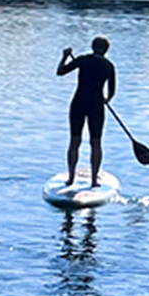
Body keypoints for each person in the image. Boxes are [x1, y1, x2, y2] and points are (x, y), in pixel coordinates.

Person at [57, 35, 116, 186]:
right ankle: (94, 180)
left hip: (79, 103)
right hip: (96, 105)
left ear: (92, 47)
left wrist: (65, 57)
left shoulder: (83, 60)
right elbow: (111, 91)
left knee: (74, 140)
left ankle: (71, 177)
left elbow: (60, 71)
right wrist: (106, 100)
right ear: (106, 50)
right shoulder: (108, 66)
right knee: (96, 142)